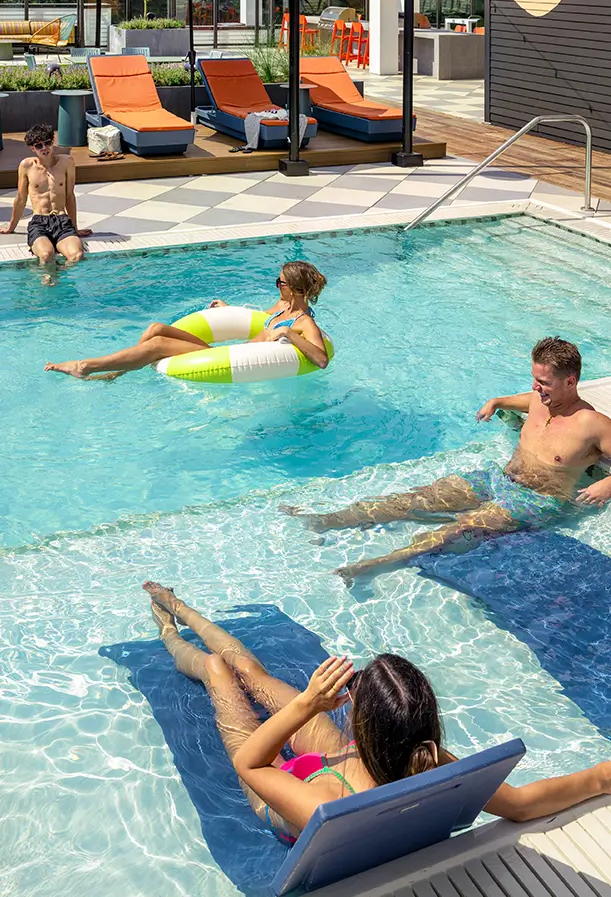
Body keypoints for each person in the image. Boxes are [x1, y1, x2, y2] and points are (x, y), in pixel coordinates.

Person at [142, 580, 611, 843]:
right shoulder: (428, 760)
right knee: (249, 668)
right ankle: (186, 609)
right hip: (349, 766)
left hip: (282, 791)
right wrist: (603, 777)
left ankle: (170, 627)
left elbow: (251, 764)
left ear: (363, 725)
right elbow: (525, 805)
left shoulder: (322, 806)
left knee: (221, 672)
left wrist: (308, 703)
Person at [283, 337, 611, 581]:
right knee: (420, 498)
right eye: (534, 379)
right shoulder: (539, 400)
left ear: (570, 381)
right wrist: (495, 402)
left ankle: (374, 567)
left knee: (457, 531)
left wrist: (607, 485)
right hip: (498, 478)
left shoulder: (591, 424)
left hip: (536, 502)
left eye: (544, 382)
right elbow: (517, 400)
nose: (536, 388)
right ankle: (325, 519)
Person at [44, 260, 329, 380]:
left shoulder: (303, 322)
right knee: (156, 328)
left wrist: (289, 336)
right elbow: (258, 321)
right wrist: (228, 309)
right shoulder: (281, 307)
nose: (276, 284)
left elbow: (321, 359)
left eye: (279, 281)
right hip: (224, 351)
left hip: (230, 358)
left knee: (156, 345)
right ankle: (118, 372)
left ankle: (86, 366)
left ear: (292, 287)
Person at [0, 124, 92, 271]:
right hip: (39, 222)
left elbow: (69, 196)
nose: (44, 148)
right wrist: (11, 227)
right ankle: (49, 282)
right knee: (45, 254)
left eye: (47, 143)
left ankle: (57, 278)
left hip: (62, 221)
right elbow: (21, 199)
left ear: (53, 141)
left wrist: (74, 228)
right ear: (32, 148)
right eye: (39, 145)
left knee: (77, 255)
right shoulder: (27, 166)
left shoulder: (66, 162)